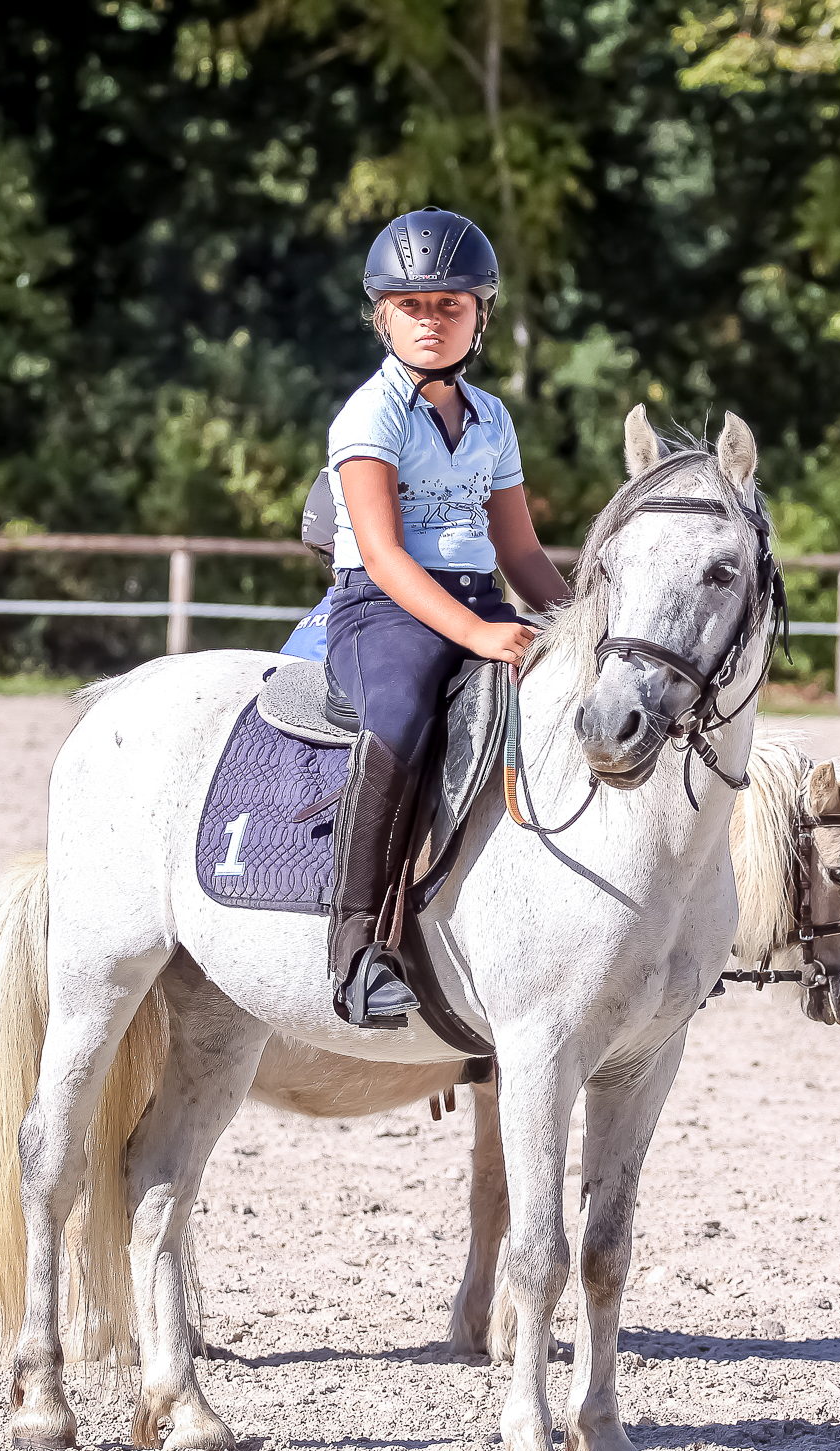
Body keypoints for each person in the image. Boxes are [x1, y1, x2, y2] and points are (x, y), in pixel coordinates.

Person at [320, 206, 572, 1028]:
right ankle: (358, 952)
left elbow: (524, 555)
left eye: (449, 306)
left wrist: (584, 630)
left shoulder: (493, 418)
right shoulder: (371, 414)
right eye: (413, 307)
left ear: (480, 315)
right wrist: (478, 636)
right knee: (399, 716)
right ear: (382, 314)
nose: (431, 323)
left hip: (478, 599)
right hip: (382, 610)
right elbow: (387, 557)